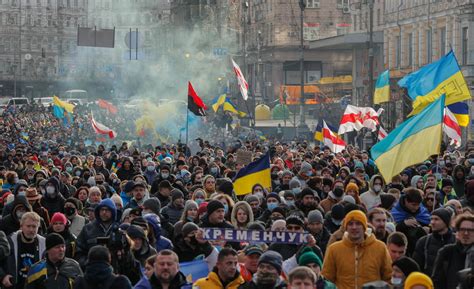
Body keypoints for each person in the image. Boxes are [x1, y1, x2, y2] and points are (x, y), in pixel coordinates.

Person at [321, 210, 392, 288]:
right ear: (346, 227)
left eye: (358, 224)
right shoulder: (334, 249)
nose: (354, 227)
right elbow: (327, 279)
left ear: (364, 227)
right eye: (350, 224)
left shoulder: (380, 247)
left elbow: (388, 277)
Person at [0, 212, 46, 289]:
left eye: (34, 226)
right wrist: (2, 276)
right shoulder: (9, 241)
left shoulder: (44, 244)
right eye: (28, 226)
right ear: (21, 226)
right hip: (13, 286)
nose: (31, 230)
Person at [431, 213, 474, 289]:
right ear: (457, 231)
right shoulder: (447, 252)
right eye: (462, 229)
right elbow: (437, 281)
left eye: (470, 230)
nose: (466, 233)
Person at [75, 198, 120, 267]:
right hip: (92, 271)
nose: (104, 212)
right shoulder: (87, 229)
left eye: (107, 210)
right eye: (102, 209)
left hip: (113, 271)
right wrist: (87, 263)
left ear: (113, 212)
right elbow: (78, 251)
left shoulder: (118, 231)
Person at [413, 208, 455, 275]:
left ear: (446, 221)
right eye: (431, 219)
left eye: (436, 219)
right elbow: (416, 266)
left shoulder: (456, 241)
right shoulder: (423, 242)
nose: (432, 222)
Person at [391, 188, 430, 255]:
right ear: (406, 201)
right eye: (413, 205)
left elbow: (429, 222)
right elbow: (391, 229)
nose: (416, 207)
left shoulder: (423, 211)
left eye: (418, 205)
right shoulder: (395, 212)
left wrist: (428, 228)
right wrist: (403, 224)